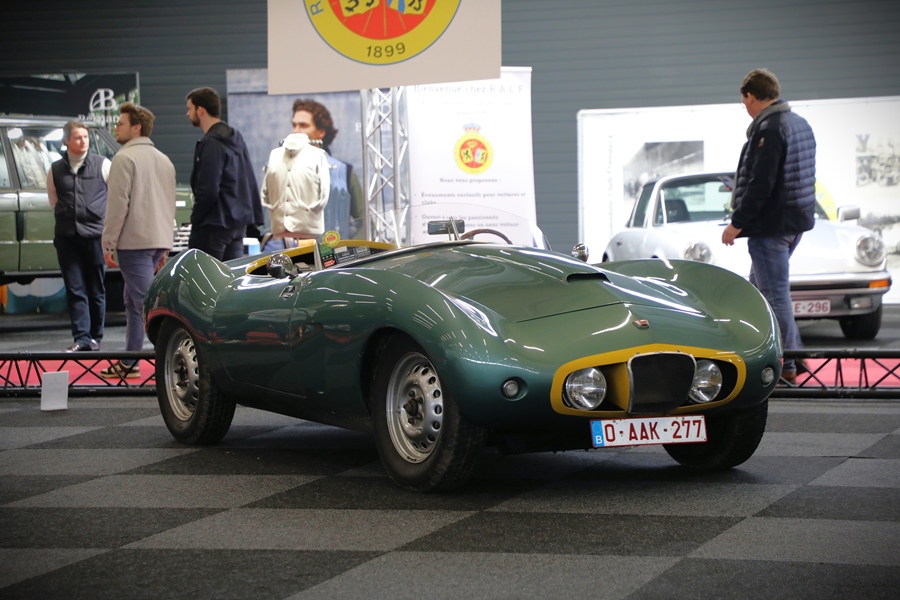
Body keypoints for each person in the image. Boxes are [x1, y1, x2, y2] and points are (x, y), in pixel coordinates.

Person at [722, 68, 816, 383]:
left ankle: (789, 366)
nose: (745, 108)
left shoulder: (770, 129)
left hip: (771, 225)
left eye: (744, 102)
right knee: (760, 292)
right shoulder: (799, 123)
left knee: (774, 296)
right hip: (794, 222)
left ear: (751, 96)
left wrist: (736, 223)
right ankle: (785, 357)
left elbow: (762, 184)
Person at [101, 103, 176, 379]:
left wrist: (108, 243)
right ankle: (131, 361)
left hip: (134, 242)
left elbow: (117, 206)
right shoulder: (164, 159)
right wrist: (165, 245)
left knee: (147, 305)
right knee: (134, 302)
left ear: (136, 127)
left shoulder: (124, 158)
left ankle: (173, 361)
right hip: (157, 240)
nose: (116, 128)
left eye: (120, 123)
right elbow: (169, 204)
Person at [47, 121, 112, 352]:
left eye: (85, 136)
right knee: (75, 289)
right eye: (77, 137)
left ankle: (95, 337)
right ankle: (81, 338)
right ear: (66, 141)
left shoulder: (103, 164)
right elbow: (54, 201)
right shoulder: (55, 169)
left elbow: (114, 197)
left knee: (96, 288)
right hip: (67, 238)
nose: (83, 141)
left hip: (95, 236)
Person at [185, 86, 263, 260]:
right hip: (237, 225)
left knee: (206, 276)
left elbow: (208, 188)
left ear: (200, 110)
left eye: (189, 108)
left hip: (213, 225)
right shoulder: (236, 138)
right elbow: (249, 179)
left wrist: (196, 219)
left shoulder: (211, 143)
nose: (187, 114)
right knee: (230, 275)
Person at [288, 99, 365, 239]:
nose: (296, 131)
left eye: (303, 125)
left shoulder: (344, 173)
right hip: (293, 249)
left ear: (321, 132)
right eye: (294, 125)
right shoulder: (282, 170)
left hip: (334, 248)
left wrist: (347, 248)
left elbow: (365, 223)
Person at [260, 132, 330, 248]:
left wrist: (312, 209)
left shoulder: (318, 155)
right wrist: (271, 207)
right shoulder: (275, 154)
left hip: (308, 224)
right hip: (279, 225)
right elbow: (265, 188)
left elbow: (325, 191)